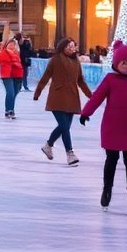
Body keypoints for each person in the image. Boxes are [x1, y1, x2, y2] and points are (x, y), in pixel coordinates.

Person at [80, 42, 127, 213]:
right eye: (123, 62)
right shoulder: (110, 80)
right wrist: (86, 112)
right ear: (116, 64)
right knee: (111, 159)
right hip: (112, 127)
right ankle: (107, 190)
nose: (126, 65)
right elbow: (97, 97)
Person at [33, 37, 93, 166]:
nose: (71, 49)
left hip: (72, 97)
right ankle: (70, 153)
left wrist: (91, 96)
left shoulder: (76, 61)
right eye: (68, 46)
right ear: (62, 47)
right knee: (64, 126)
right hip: (57, 97)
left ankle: (48, 145)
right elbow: (45, 77)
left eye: (73, 46)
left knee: (64, 127)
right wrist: (38, 92)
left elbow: (81, 81)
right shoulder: (56, 60)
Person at [0, 37, 24, 119]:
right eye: (10, 44)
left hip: (16, 75)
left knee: (14, 93)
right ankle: (9, 110)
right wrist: (13, 61)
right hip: (7, 75)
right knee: (10, 92)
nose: (12, 45)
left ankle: (10, 109)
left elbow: (18, 63)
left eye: (13, 44)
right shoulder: (3, 52)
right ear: (7, 45)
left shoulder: (16, 53)